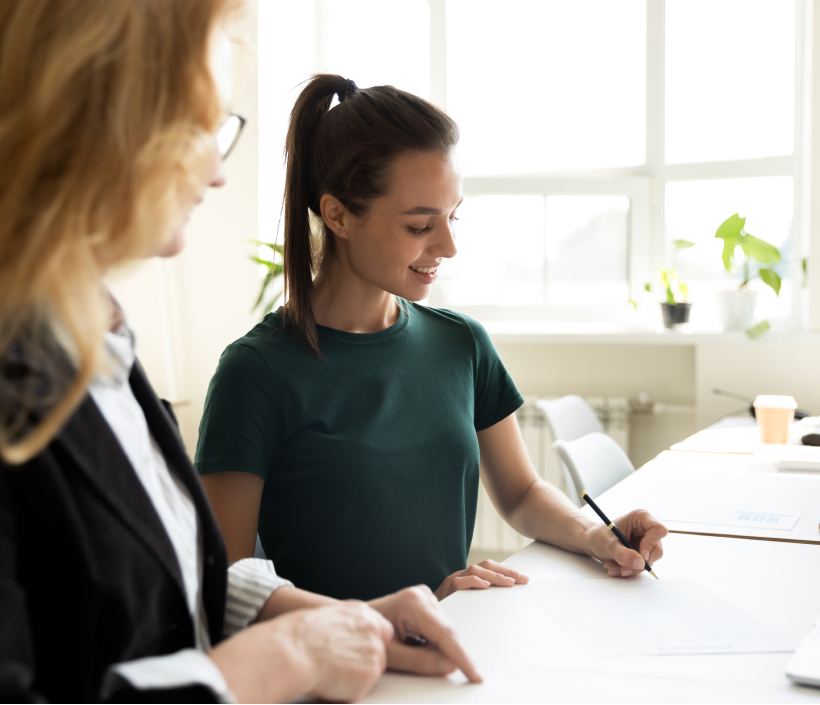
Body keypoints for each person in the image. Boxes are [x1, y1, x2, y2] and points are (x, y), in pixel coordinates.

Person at [0, 2, 481, 702]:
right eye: (196, 129)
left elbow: (181, 575)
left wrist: (343, 619)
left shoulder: (94, 336)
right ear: (86, 117)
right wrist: (283, 654)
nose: (218, 174)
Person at [194, 74, 669, 603]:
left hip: (448, 647)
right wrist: (396, 617)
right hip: (337, 672)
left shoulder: (461, 344)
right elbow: (226, 588)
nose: (448, 245)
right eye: (420, 226)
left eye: (452, 217)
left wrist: (593, 534)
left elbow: (521, 493)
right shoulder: (256, 372)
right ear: (338, 216)